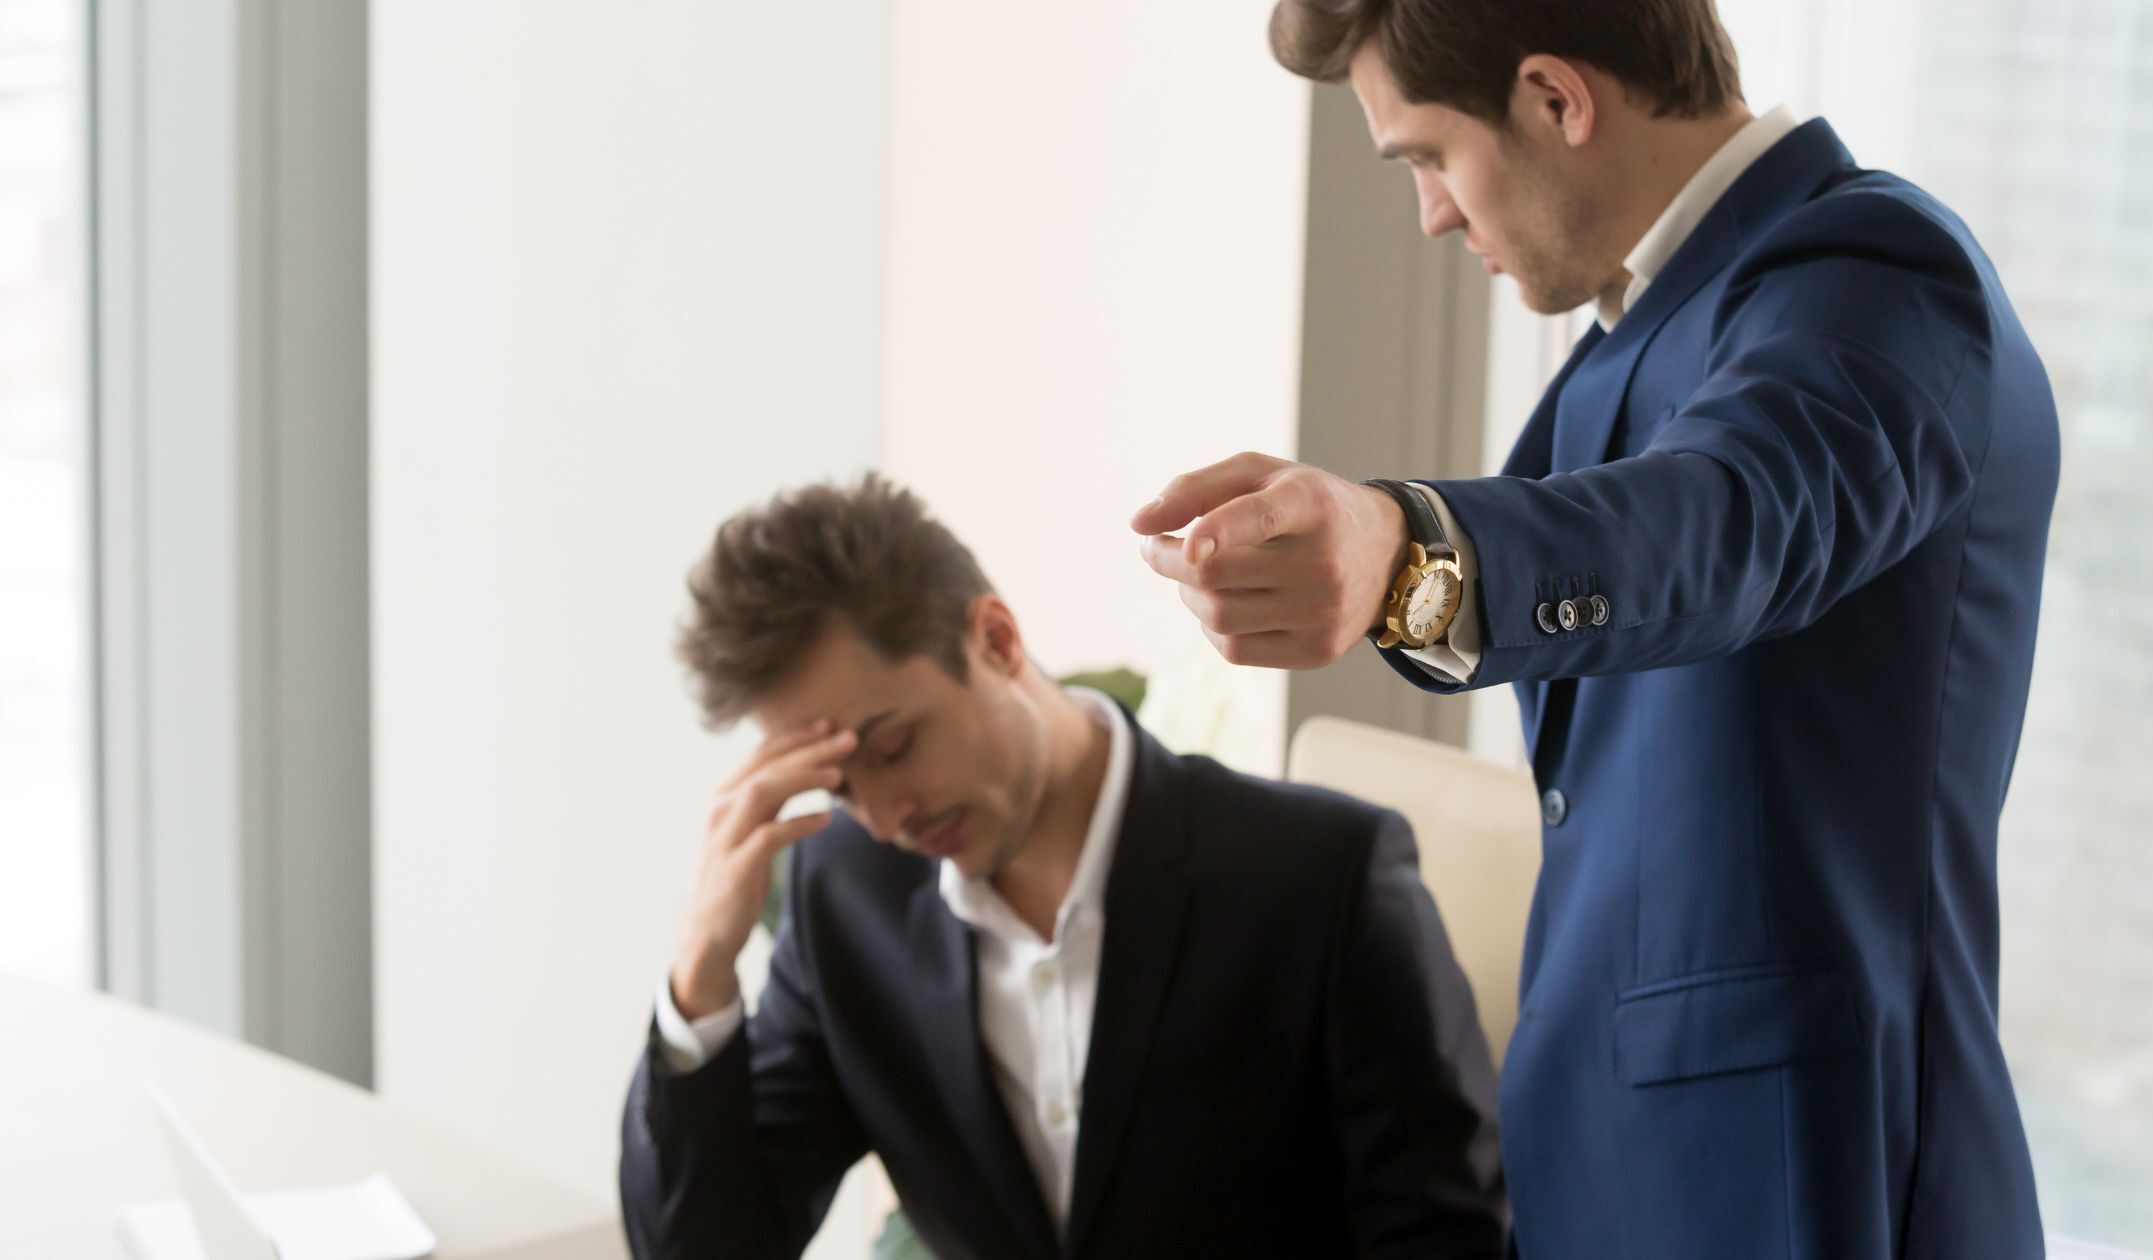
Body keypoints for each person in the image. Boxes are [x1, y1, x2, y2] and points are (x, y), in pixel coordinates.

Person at [1135, 3, 2057, 1256]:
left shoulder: (1878, 276)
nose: (1432, 216)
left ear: (1555, 98)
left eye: (1427, 156)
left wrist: (1404, 558)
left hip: (1806, 1185)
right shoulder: (1619, 355)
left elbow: (1721, 521)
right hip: (1612, 1180)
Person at [620, 475, 1506, 1258]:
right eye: (840, 787)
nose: (885, 818)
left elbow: (1443, 1240)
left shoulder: (1320, 880)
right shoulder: (846, 895)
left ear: (998, 639)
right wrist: (701, 971)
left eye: (894, 747)